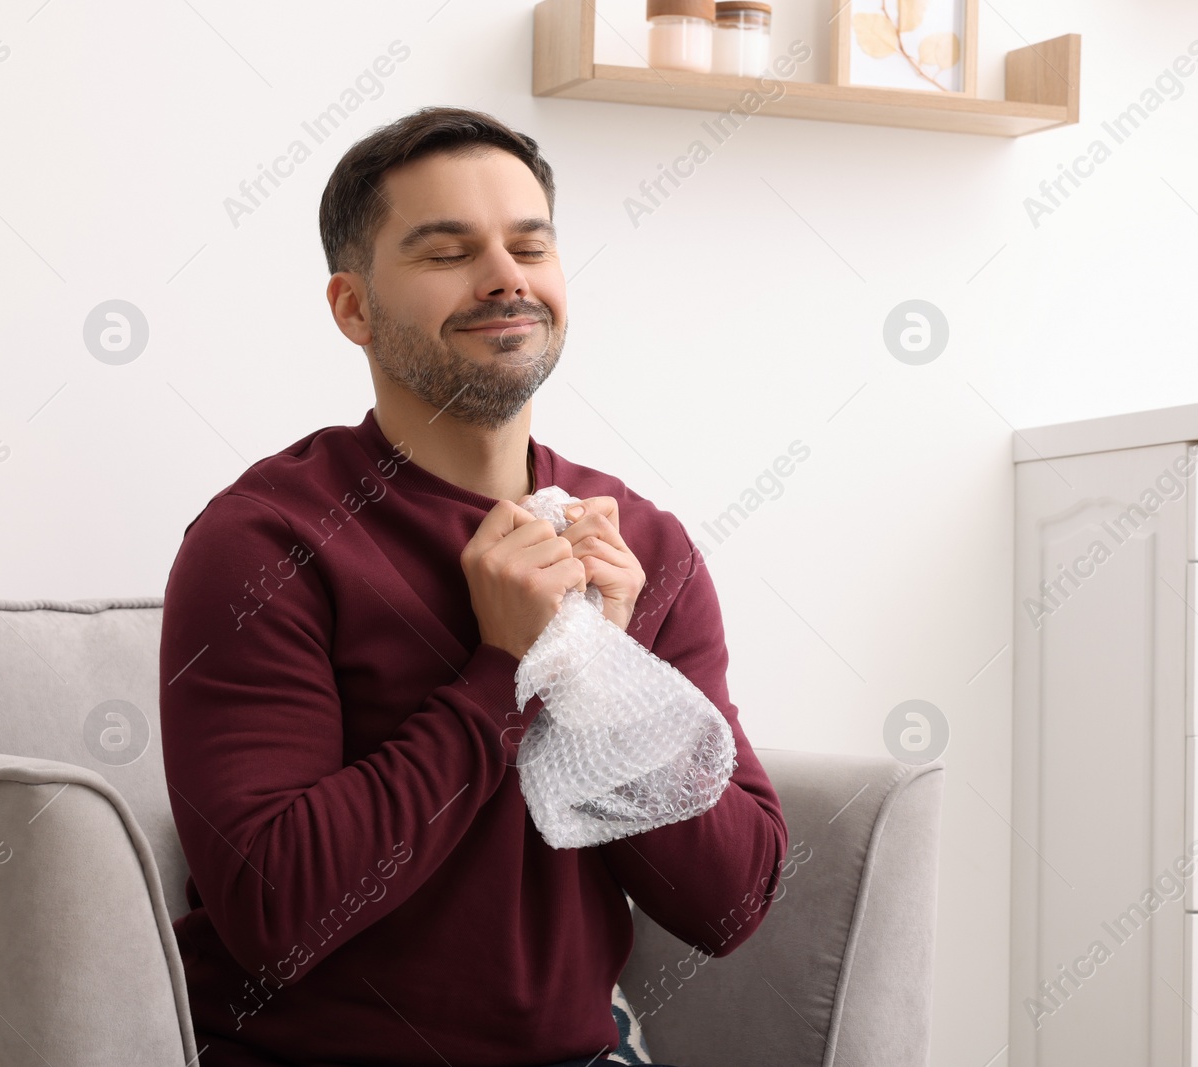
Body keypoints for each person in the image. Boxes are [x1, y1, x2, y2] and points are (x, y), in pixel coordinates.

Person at [158, 106, 789, 1067]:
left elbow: (732, 903)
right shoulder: (265, 542)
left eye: (529, 246)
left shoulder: (641, 545)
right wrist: (502, 673)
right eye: (449, 251)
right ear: (353, 308)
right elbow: (273, 912)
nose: (506, 277)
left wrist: (597, 673)